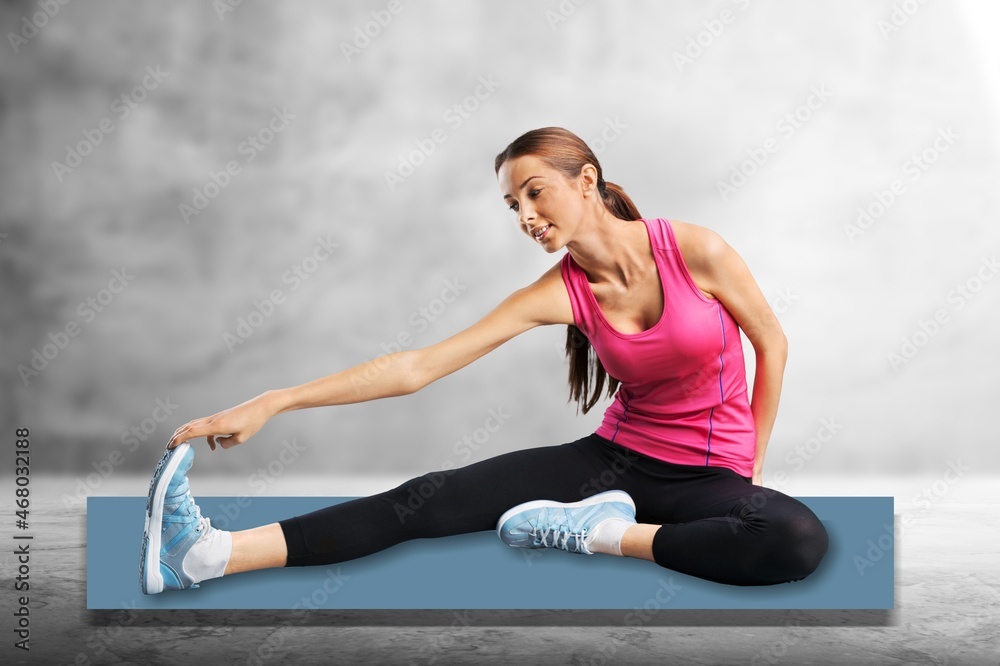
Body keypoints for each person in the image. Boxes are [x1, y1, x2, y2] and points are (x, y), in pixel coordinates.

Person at [140, 126, 828, 595]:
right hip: (614, 459)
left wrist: (753, 464)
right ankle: (206, 555)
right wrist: (276, 400)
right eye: (512, 204)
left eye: (536, 192)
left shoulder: (692, 250)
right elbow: (418, 367)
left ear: (586, 180)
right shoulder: (559, 293)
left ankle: (603, 535)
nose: (525, 214)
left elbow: (772, 340)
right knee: (425, 501)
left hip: (712, 476)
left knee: (793, 539)